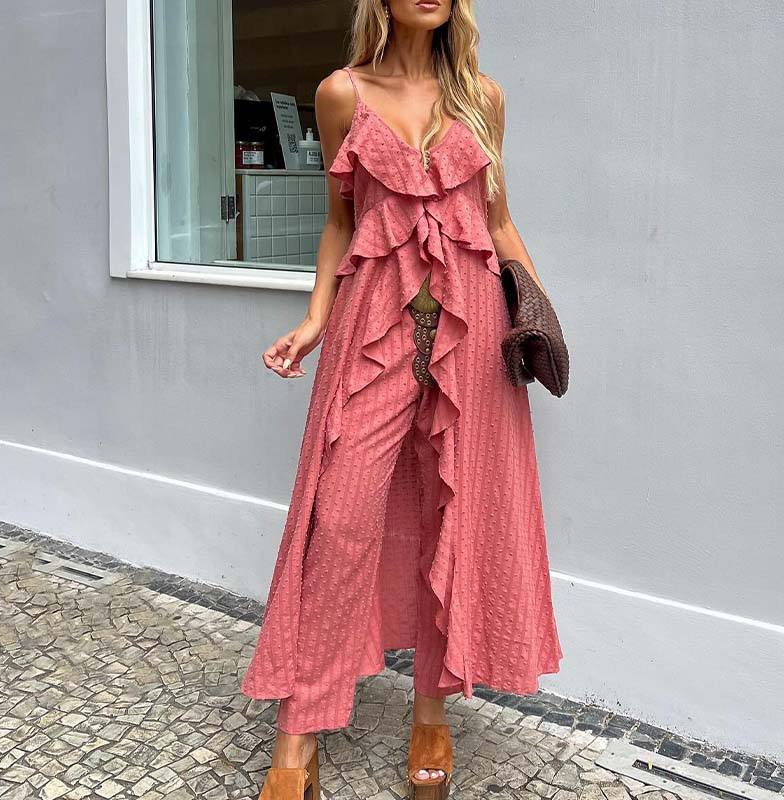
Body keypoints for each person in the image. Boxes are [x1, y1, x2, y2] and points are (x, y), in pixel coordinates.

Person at [243, 1, 564, 797]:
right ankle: (299, 733)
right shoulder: (341, 93)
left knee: (451, 518)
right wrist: (316, 317)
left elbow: (498, 220)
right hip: (374, 333)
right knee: (340, 522)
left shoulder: (481, 97)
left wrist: (540, 313)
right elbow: (339, 220)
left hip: (471, 333)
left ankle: (431, 711)